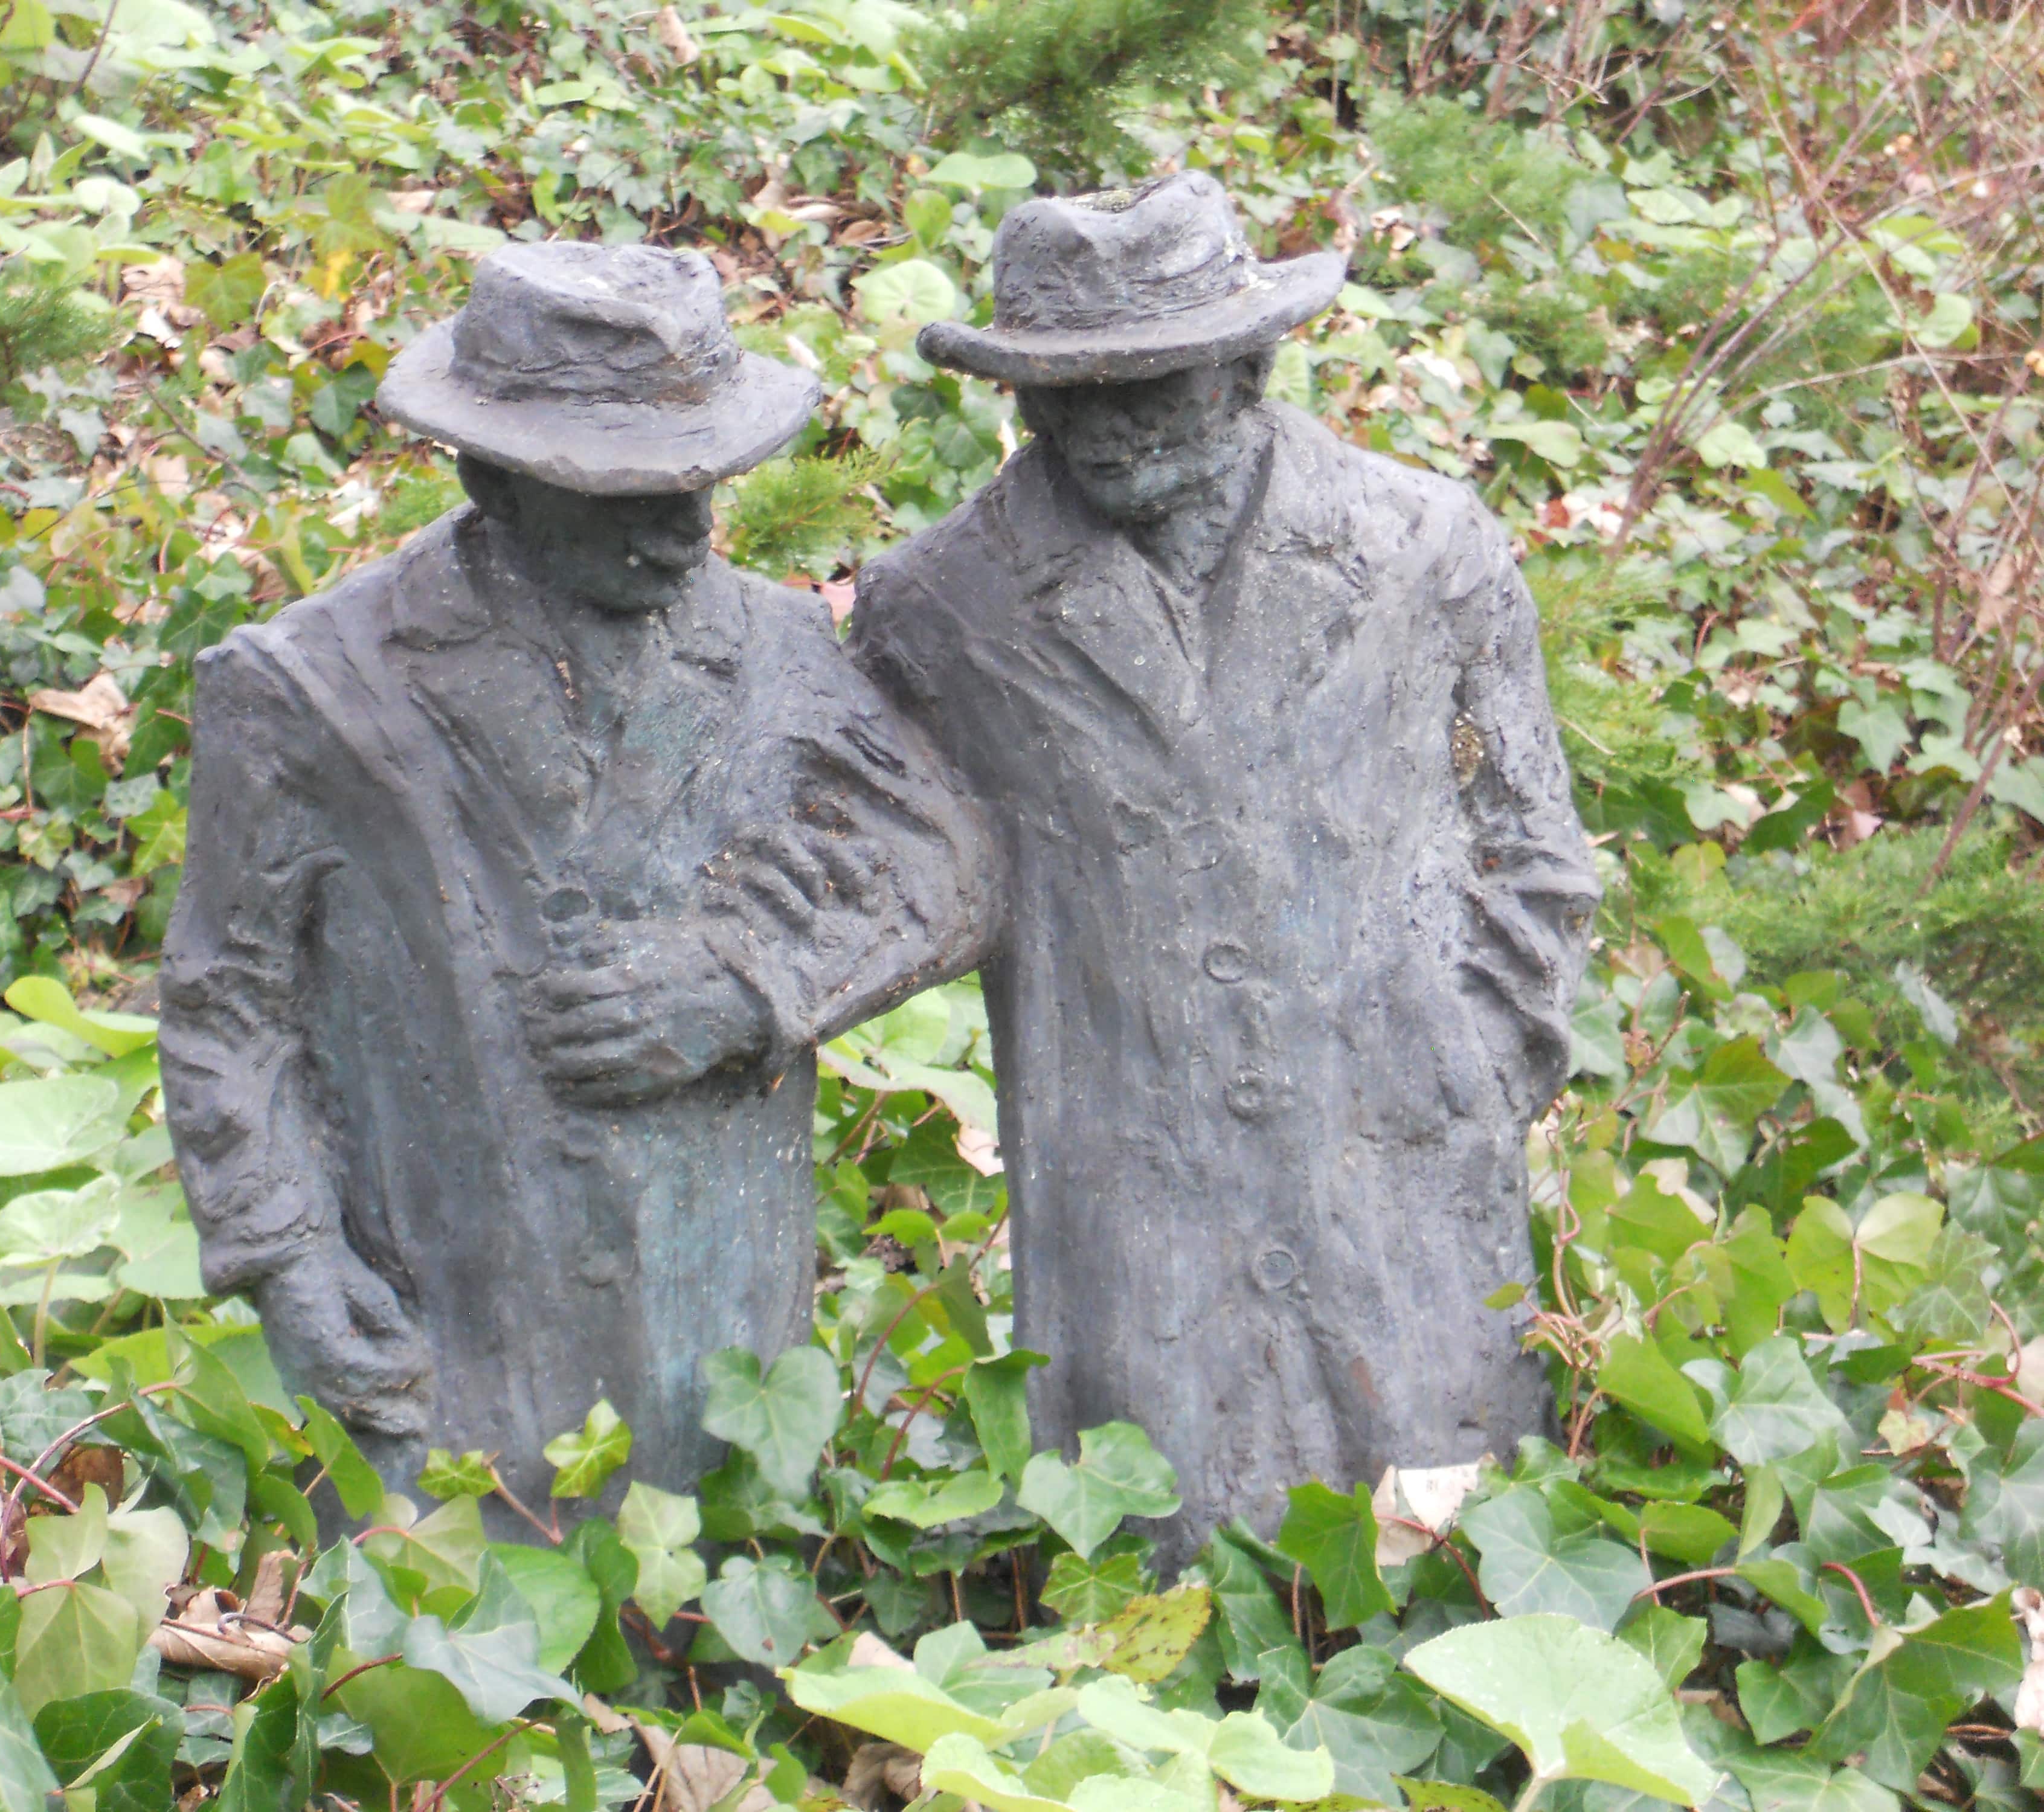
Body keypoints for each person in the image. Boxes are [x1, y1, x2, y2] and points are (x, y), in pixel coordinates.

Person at [161, 242, 995, 1508]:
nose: (684, 532)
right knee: (451, 1677)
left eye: (701, 483)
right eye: (624, 496)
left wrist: (745, 982)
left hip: (719, 1365)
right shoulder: (309, 690)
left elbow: (951, 861)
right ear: (491, 478)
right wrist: (289, 1261)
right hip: (451, 1351)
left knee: (720, 1671)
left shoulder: (772, 646)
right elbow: (229, 1005)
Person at [852, 173, 1601, 1561]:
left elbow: (1532, 843)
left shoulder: (1420, 547)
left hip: (1404, 1178)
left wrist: (1473, 1066)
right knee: (1164, 1575)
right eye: (1062, 390)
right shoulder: (934, 606)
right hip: (1129, 1192)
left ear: (1249, 364)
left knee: (1440, 1567)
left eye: (1154, 383)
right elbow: (878, 859)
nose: (1106, 425)